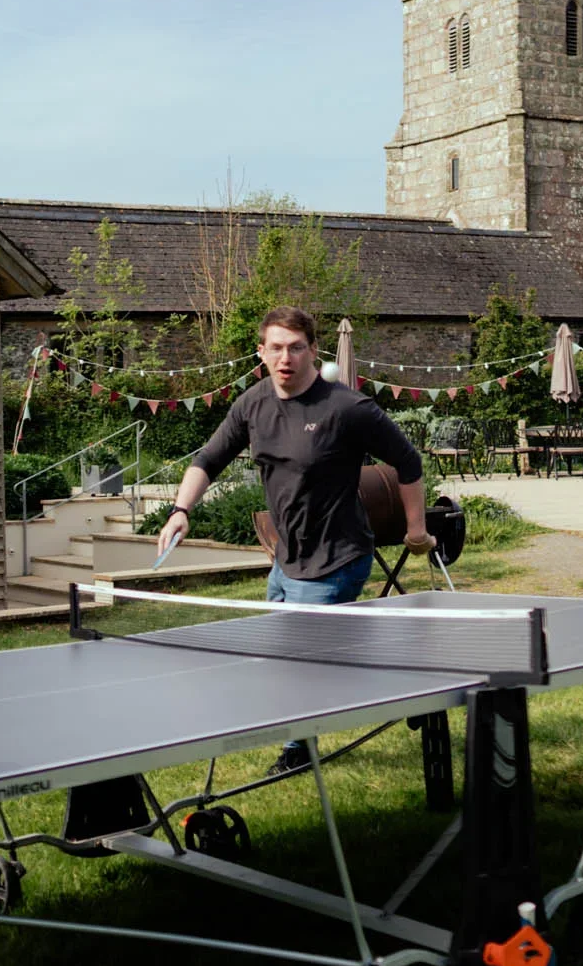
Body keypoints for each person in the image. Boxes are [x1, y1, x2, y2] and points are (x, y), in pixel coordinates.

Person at [157, 305, 433, 768]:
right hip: (286, 559)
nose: (286, 358)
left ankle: (299, 748)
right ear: (261, 352)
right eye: (277, 348)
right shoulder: (253, 404)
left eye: (296, 348)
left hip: (336, 557)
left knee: (299, 659)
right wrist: (181, 510)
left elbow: (409, 462)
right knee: (281, 651)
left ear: (312, 351)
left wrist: (417, 530)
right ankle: (395, 680)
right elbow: (208, 459)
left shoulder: (347, 409)